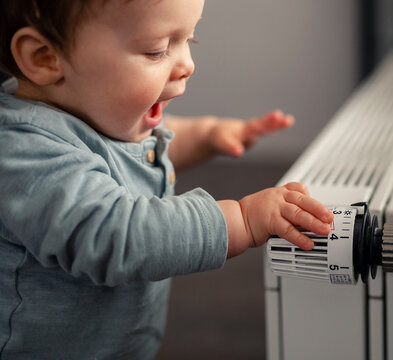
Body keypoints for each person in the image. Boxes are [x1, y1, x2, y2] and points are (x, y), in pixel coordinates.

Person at [0, 0, 333, 358]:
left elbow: (141, 152)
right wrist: (242, 220)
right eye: (157, 50)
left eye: (190, 41)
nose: (187, 65)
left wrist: (206, 135)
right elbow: (116, 233)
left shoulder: (96, 113)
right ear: (44, 58)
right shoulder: (24, 151)